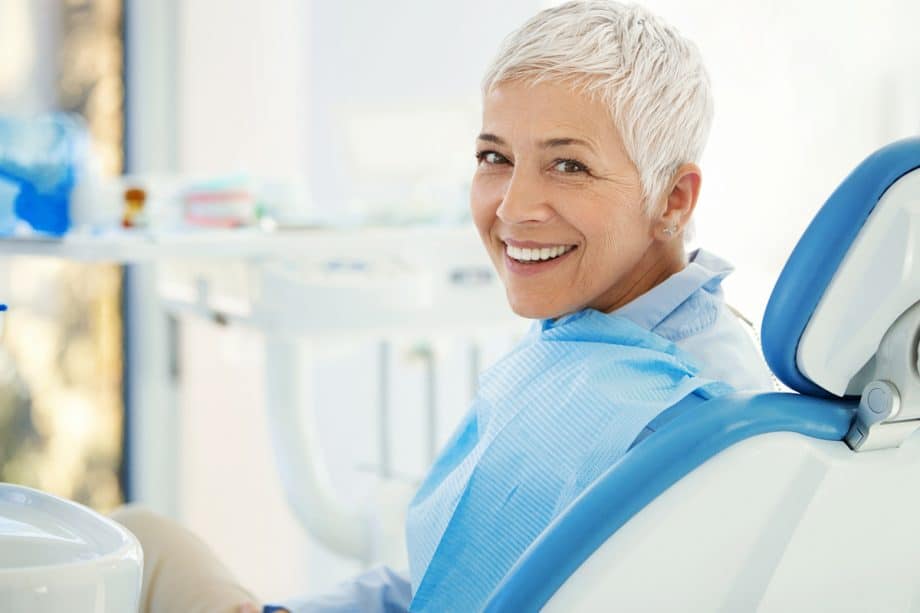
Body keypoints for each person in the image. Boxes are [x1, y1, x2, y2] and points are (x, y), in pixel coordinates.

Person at [113, 1, 775, 611]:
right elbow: (441, 583)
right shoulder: (595, 339)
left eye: (568, 166)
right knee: (133, 538)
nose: (513, 208)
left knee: (120, 552)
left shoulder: (688, 412)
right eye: (496, 157)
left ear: (674, 200)